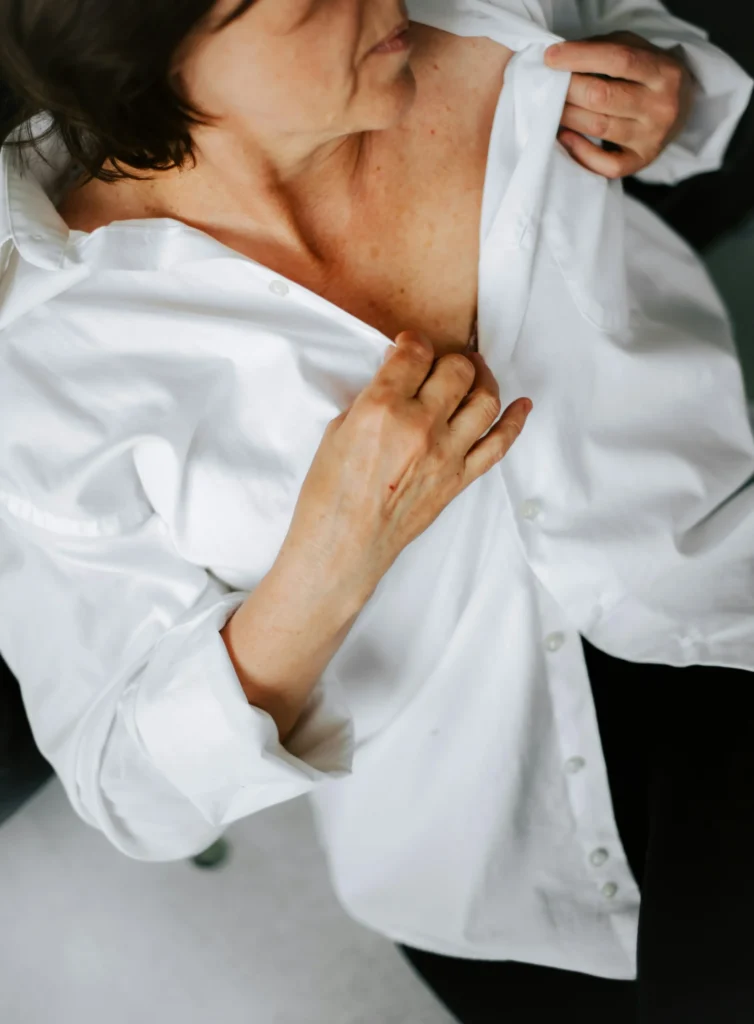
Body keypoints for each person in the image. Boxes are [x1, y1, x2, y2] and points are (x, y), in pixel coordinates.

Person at [0, 1, 752, 1021]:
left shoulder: (494, 17)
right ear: (152, 68)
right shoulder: (49, 365)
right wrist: (330, 558)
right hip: (492, 867)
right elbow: (125, 785)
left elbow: (662, 78)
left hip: (720, 614)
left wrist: (665, 92)